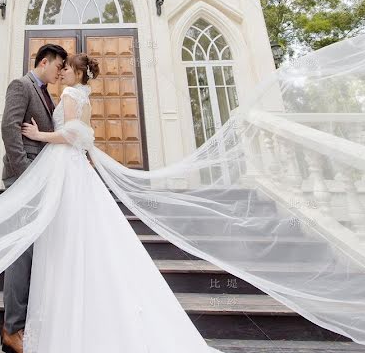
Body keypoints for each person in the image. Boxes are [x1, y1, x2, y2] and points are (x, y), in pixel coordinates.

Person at [18, 53, 217, 353]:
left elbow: (72, 134)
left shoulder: (72, 94)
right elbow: (85, 135)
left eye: (68, 69)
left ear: (79, 73)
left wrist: (39, 134)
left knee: (66, 237)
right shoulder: (85, 96)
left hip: (66, 166)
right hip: (75, 168)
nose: (64, 73)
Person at [0, 43, 67, 353]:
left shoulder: (46, 94)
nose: (59, 71)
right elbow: (9, 129)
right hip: (22, 180)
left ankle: (24, 324)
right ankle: (12, 329)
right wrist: (27, 176)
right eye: (57, 65)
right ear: (43, 61)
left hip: (41, 182)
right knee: (21, 253)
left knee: (34, 252)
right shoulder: (21, 85)